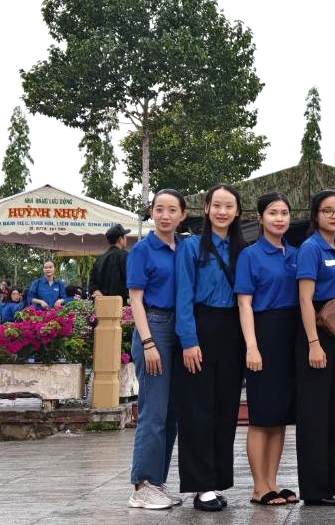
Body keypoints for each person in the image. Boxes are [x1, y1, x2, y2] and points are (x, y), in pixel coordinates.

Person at [173, 184, 245, 512]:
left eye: (229, 206)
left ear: (237, 211)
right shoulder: (190, 247)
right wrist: (189, 341)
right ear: (206, 208)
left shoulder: (242, 248)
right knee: (197, 410)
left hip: (233, 329)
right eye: (217, 205)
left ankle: (216, 481)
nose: (222, 211)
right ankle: (200, 486)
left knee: (225, 409)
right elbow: (183, 296)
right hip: (200, 327)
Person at [235, 192, 299, 507]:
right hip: (263, 333)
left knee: (280, 416)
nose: (279, 218)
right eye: (273, 213)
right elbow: (244, 304)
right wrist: (252, 346)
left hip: (292, 338)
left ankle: (272, 481)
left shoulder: (296, 253)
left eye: (284, 213)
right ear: (260, 218)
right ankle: (259, 486)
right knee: (261, 416)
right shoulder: (250, 255)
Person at [127, 189, 187, 510]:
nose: (165, 215)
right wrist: (148, 342)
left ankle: (157, 482)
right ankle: (142, 484)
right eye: (159, 209)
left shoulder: (183, 249)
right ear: (151, 213)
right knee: (153, 410)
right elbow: (135, 299)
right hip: (154, 326)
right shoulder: (142, 250)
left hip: (178, 331)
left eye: (172, 210)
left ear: (182, 215)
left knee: (172, 413)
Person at [294, 190, 335, 506]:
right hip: (315, 334)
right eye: (327, 210)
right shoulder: (310, 248)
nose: (334, 215)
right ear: (315, 215)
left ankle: (329, 483)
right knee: (314, 415)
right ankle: (314, 490)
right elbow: (305, 299)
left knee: (331, 414)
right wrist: (313, 344)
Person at [89, 223, 131, 304]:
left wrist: (101, 296)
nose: (126, 239)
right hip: (120, 305)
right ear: (120, 239)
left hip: (102, 306)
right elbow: (131, 279)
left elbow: (92, 285)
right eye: (125, 236)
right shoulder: (125, 255)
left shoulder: (99, 259)